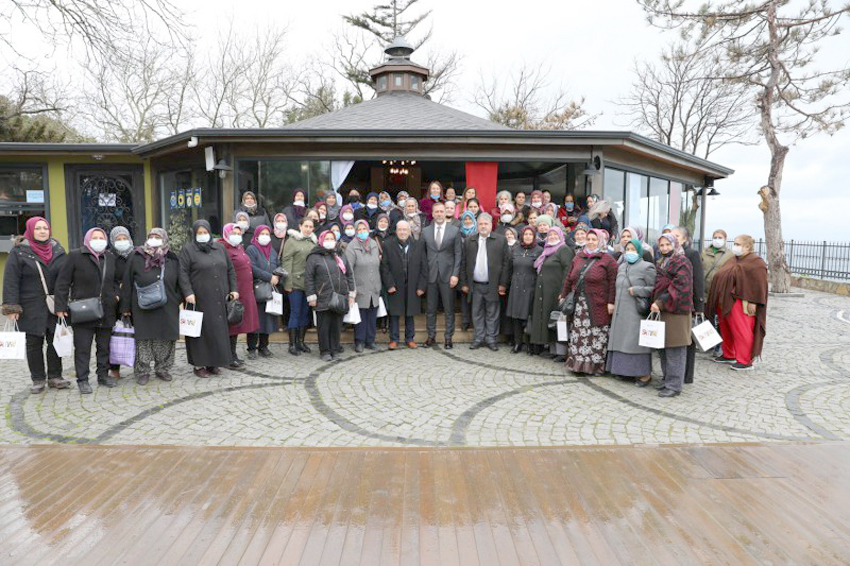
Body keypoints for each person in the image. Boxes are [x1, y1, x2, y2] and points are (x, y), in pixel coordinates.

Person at [2, 217, 70, 394]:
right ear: (30, 230)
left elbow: (65, 280)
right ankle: (38, 379)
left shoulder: (58, 250)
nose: (42, 231)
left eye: (45, 228)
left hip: (54, 305)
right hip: (29, 305)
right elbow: (11, 281)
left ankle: (55, 376)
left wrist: (63, 304)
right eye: (38, 228)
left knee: (55, 341)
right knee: (34, 343)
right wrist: (11, 307)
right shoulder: (19, 252)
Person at [54, 227, 119, 394]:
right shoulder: (76, 256)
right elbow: (63, 282)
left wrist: (116, 296)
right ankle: (82, 379)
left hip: (106, 310)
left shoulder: (110, 257)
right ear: (88, 239)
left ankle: (103, 375)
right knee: (83, 348)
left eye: (101, 237)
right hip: (84, 311)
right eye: (95, 237)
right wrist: (60, 307)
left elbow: (114, 281)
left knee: (104, 347)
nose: (98, 240)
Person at [119, 228, 183, 384]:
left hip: (167, 304)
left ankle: (163, 368)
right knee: (144, 338)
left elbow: (181, 281)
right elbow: (127, 283)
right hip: (141, 305)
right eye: (151, 236)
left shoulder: (173, 258)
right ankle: (142, 371)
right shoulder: (136, 256)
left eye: (158, 236)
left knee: (166, 337)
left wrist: (177, 299)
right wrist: (125, 308)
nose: (154, 239)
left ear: (165, 239)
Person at [179, 220, 238, 378]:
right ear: (194, 234)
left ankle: (214, 362)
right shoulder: (188, 250)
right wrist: (187, 292)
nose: (203, 235)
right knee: (200, 332)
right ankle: (199, 364)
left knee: (217, 331)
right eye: (200, 233)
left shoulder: (219, 248)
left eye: (205, 232)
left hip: (219, 297)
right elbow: (182, 273)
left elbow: (230, 270)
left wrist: (234, 289)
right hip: (198, 298)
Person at [560, 229, 618, 374]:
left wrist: (611, 302)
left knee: (596, 336)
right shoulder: (579, 256)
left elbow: (613, 282)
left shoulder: (608, 260)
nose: (591, 242)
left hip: (598, 305)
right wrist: (563, 294)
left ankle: (594, 367)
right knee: (578, 335)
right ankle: (577, 365)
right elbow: (569, 277)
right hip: (579, 305)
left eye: (594, 239)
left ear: (600, 241)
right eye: (589, 239)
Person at [707, 234, 768, 371]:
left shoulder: (756, 262)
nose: (735, 246)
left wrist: (754, 302)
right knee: (726, 328)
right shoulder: (733, 259)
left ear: (747, 246)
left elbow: (759, 284)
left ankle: (745, 360)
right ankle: (729, 354)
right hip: (725, 300)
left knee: (742, 330)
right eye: (735, 243)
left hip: (742, 302)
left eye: (738, 244)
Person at [606, 239, 657, 386]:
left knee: (635, 343)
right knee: (622, 341)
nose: (630, 252)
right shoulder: (621, 266)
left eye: (633, 250)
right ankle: (624, 371)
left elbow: (654, 289)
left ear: (639, 251)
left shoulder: (647, 267)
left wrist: (637, 290)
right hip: (620, 310)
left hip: (636, 311)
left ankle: (644, 374)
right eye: (628, 249)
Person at [650, 233, 694, 396]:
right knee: (664, 346)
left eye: (667, 245)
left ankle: (674, 385)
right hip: (663, 310)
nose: (664, 248)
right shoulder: (662, 262)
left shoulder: (682, 261)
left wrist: (660, 302)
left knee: (675, 347)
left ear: (674, 244)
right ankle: (667, 379)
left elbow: (680, 286)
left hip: (676, 311)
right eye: (661, 245)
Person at [460, 213, 510, 351]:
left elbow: (506, 264)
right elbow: (463, 263)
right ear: (477, 225)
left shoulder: (500, 240)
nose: (483, 226)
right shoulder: (470, 240)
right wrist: (464, 283)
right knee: (476, 312)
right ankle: (478, 338)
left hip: (493, 285)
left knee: (492, 313)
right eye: (480, 224)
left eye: (485, 224)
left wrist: (503, 284)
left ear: (491, 225)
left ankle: (491, 339)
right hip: (475, 284)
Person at [306, 230, 356, 361]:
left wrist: (351, 293)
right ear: (321, 240)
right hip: (323, 296)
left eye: (331, 238)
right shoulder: (314, 256)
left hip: (340, 296)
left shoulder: (340, 254)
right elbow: (309, 277)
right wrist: (311, 296)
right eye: (326, 238)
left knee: (336, 325)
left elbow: (349, 274)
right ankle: (325, 351)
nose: (329, 241)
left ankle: (334, 348)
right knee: (324, 326)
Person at [421, 201, 462, 349]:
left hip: (448, 275)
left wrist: (455, 274)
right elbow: (423, 255)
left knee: (449, 309)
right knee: (430, 309)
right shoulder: (425, 231)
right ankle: (430, 337)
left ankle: (448, 338)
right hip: (431, 276)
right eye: (436, 211)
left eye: (441, 211)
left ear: (445, 213)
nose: (439, 214)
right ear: (432, 214)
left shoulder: (454, 230)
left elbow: (458, 254)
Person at [528, 227, 574, 356]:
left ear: (560, 235)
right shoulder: (546, 251)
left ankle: (559, 352)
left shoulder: (564, 249)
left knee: (556, 320)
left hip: (556, 292)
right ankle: (550, 348)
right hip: (544, 292)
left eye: (555, 234)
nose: (552, 236)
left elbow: (568, 271)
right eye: (550, 234)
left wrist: (563, 292)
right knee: (547, 318)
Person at [380, 221, 426, 349]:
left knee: (409, 313)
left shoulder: (418, 245)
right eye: (400, 230)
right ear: (396, 231)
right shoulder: (388, 245)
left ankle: (410, 338)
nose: (402, 232)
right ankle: (394, 339)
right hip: (395, 285)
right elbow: (385, 267)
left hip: (413, 285)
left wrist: (421, 286)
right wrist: (389, 284)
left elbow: (424, 267)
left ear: (410, 231)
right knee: (394, 313)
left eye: (405, 229)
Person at [221, 223, 259, 367]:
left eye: (238, 233)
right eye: (233, 233)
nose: (236, 236)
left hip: (245, 291)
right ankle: (229, 356)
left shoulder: (239, 247)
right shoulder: (223, 249)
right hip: (234, 292)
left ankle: (233, 354)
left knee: (237, 324)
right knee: (232, 325)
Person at [673, 226, 706, 384]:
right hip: (673, 304)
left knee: (689, 340)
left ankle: (687, 375)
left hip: (689, 304)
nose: (674, 238)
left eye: (677, 236)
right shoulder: (668, 253)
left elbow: (698, 280)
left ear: (685, 239)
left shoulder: (691, 254)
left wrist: (699, 306)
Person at [281, 217, 317, 356]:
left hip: (308, 284)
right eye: (306, 226)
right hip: (295, 283)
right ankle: (292, 344)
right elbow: (286, 262)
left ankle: (301, 342)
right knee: (295, 313)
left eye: (310, 227)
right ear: (300, 226)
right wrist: (288, 282)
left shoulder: (313, 242)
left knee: (305, 313)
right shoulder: (292, 241)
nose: (308, 229)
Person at [345, 219, 382, 352]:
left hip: (374, 287)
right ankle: (359, 341)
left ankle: (370, 340)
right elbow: (348, 269)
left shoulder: (373, 244)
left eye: (364, 229)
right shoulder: (351, 246)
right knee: (360, 316)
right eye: (359, 230)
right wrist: (352, 289)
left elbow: (378, 264)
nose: (362, 232)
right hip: (359, 287)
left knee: (372, 315)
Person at [505, 225, 542, 353]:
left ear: (533, 236)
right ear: (521, 236)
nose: (527, 237)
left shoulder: (539, 250)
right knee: (515, 315)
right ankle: (517, 343)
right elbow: (508, 268)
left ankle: (529, 343)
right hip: (516, 285)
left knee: (528, 315)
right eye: (525, 234)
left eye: (530, 234)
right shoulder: (515, 249)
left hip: (531, 286)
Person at [246, 225, 281, 359]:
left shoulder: (272, 250)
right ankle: (251, 348)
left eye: (267, 234)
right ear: (256, 235)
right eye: (263, 233)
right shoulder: (252, 249)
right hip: (257, 288)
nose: (265, 236)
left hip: (270, 289)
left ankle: (264, 346)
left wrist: (278, 275)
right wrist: (269, 277)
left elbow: (277, 264)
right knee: (255, 319)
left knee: (268, 318)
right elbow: (252, 268)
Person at [107, 226, 134, 380]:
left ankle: (139, 365)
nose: (122, 242)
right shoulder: (109, 256)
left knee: (135, 332)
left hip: (133, 298)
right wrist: (117, 292)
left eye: (124, 238)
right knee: (115, 335)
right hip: (116, 300)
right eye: (118, 239)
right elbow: (107, 278)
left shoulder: (136, 254)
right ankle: (114, 368)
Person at [701, 229, 734, 302]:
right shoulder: (704, 252)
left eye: (720, 238)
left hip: (719, 290)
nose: (717, 240)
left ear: (725, 239)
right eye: (715, 237)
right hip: (704, 289)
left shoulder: (730, 255)